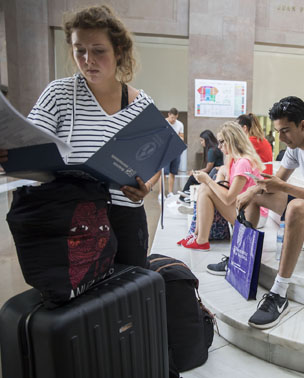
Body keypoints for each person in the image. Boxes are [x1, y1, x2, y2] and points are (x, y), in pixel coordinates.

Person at [0, 5, 154, 267]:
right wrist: (13, 154)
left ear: (118, 51)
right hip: (71, 214)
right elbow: (32, 142)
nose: (88, 60)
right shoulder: (59, 93)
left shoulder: (140, 103)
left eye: (98, 50)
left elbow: (153, 160)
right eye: (79, 50)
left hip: (125, 217)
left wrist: (146, 186)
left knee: (128, 295)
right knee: (78, 300)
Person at [220, 96, 304, 330]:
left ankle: (279, 294)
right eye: (278, 131)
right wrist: (251, 191)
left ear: (303, 125)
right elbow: (276, 180)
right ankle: (240, 258)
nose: (281, 138)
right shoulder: (294, 148)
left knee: (295, 208)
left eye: (285, 131)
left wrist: (283, 188)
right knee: (256, 195)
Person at [177, 121, 265, 251]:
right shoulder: (235, 160)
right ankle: (196, 235)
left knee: (206, 187)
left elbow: (229, 198)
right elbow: (226, 190)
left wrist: (208, 180)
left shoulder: (243, 162)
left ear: (232, 140)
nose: (219, 146)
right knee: (205, 188)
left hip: (253, 216)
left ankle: (201, 240)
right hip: (243, 209)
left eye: (221, 142)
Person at [179, 129, 224, 199]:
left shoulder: (212, 151)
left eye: (202, 140)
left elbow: (208, 169)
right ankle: (185, 194)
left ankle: (183, 196)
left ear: (207, 140)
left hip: (213, 176)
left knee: (192, 178)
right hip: (215, 174)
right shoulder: (215, 148)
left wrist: (195, 172)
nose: (201, 143)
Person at [163, 107, 184, 198]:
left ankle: (170, 192)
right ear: (168, 115)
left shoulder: (180, 124)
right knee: (164, 172)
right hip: (165, 151)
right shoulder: (163, 122)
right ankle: (162, 193)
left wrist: (178, 138)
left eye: (175, 118)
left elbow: (182, 137)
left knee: (173, 172)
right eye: (172, 118)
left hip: (175, 150)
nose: (173, 120)